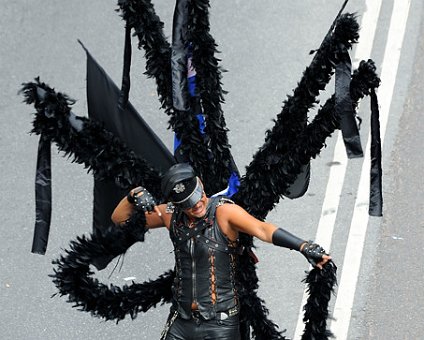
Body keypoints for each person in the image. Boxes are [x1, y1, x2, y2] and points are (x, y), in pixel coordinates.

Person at [111, 163, 331, 340]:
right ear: (176, 204)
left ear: (201, 184)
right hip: (181, 320)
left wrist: (303, 246)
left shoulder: (224, 212)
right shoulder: (170, 215)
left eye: (198, 196)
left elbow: (263, 229)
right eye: (188, 204)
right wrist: (133, 196)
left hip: (220, 325)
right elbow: (120, 220)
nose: (197, 205)